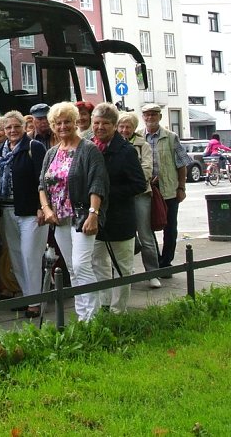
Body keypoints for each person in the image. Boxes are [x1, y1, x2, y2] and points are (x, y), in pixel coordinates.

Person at [38, 102, 108, 322]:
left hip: (82, 216)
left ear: (75, 122)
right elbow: (42, 185)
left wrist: (93, 213)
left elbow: (97, 183)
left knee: (81, 265)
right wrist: (46, 209)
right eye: (58, 123)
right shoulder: (51, 153)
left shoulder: (88, 149)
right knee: (71, 268)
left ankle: (93, 318)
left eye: (67, 121)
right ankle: (82, 315)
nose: (62, 126)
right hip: (60, 219)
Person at [90, 103, 147, 313]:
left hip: (120, 218)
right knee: (98, 263)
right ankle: (104, 305)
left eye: (105, 123)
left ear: (115, 126)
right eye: (97, 123)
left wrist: (105, 193)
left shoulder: (126, 151)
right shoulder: (89, 147)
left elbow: (139, 184)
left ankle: (118, 311)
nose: (100, 127)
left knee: (122, 267)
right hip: (96, 218)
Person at [0, 110, 47, 318]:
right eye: (8, 127)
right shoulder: (0, 150)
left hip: (31, 212)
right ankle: (27, 296)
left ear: (24, 127)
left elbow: (43, 178)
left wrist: (42, 206)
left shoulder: (34, 147)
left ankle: (35, 301)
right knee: (16, 257)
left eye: (16, 126)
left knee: (30, 256)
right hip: (7, 210)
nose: (12, 130)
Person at [139, 103, 189, 271]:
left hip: (168, 190)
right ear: (143, 117)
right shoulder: (137, 137)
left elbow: (181, 164)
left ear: (160, 117)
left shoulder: (171, 137)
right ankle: (155, 261)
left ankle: (166, 263)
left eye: (154, 114)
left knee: (170, 227)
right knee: (147, 227)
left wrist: (181, 188)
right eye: (147, 114)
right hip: (147, 190)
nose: (150, 117)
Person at [117, 113, 161, 289]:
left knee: (145, 235)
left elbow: (147, 170)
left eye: (128, 127)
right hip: (120, 196)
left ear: (134, 128)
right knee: (123, 235)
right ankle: (125, 272)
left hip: (140, 194)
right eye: (121, 126)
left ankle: (152, 273)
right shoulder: (112, 144)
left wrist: (127, 183)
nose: (124, 130)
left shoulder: (143, 145)